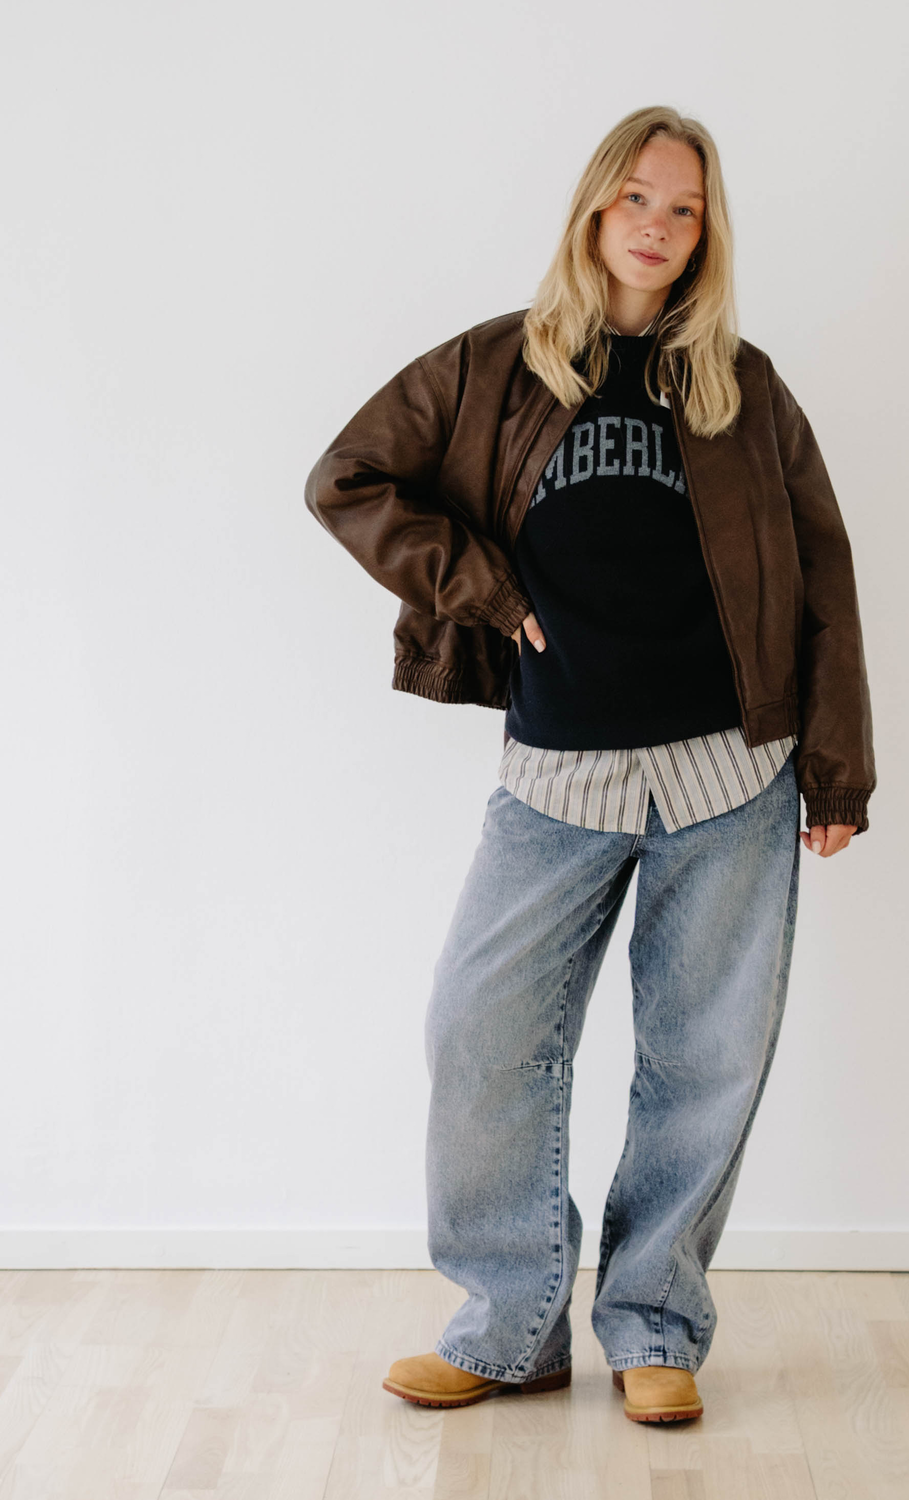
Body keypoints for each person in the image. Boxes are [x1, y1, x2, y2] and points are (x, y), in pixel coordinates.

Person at [304, 104, 876, 1424]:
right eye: (638, 199)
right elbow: (349, 478)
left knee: (704, 1060)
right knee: (481, 1033)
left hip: (730, 777)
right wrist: (482, 590)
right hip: (556, 777)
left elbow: (825, 574)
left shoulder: (744, 387)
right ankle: (509, 1325)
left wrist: (837, 766)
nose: (658, 227)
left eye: (685, 209)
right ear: (594, 208)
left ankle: (655, 1324)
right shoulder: (494, 367)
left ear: (705, 235)